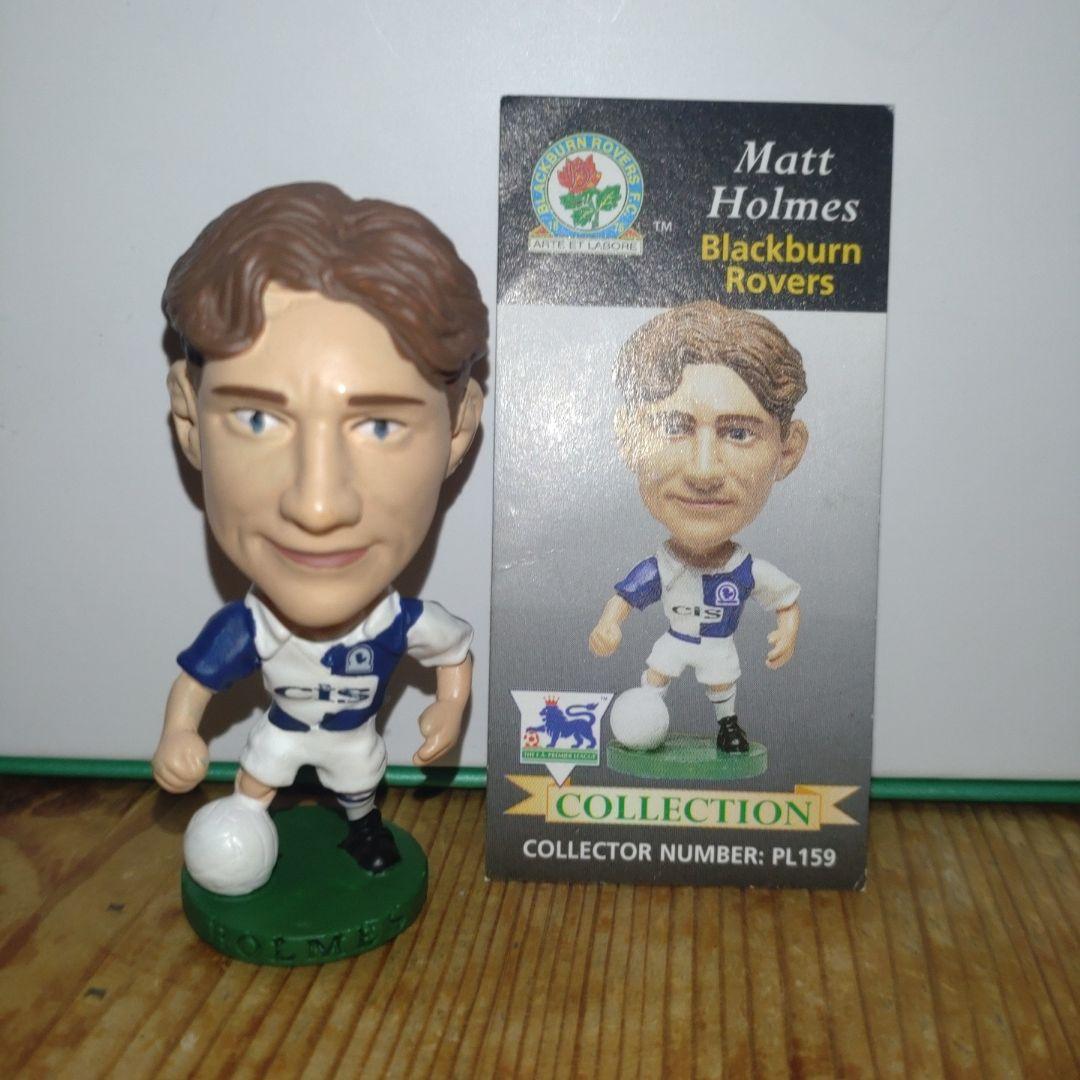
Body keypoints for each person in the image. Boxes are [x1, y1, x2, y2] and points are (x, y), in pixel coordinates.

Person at [151, 182, 486, 894]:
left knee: (359, 785)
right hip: (283, 727)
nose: (318, 504)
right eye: (258, 420)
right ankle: (247, 819)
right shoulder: (253, 628)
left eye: (380, 426)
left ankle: (363, 827)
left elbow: (453, 654)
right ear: (188, 419)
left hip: (352, 737)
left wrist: (450, 705)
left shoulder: (400, 623)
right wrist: (180, 732)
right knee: (257, 777)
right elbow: (198, 683)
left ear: (458, 430)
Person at [588, 300, 808, 753]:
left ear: (787, 451)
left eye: (739, 433)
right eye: (673, 426)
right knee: (655, 676)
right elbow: (627, 597)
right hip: (676, 638)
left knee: (722, 684)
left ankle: (728, 726)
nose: (704, 471)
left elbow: (785, 600)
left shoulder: (745, 570)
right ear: (628, 439)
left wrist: (787, 631)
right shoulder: (663, 566)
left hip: (716, 644)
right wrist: (609, 624)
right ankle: (644, 710)